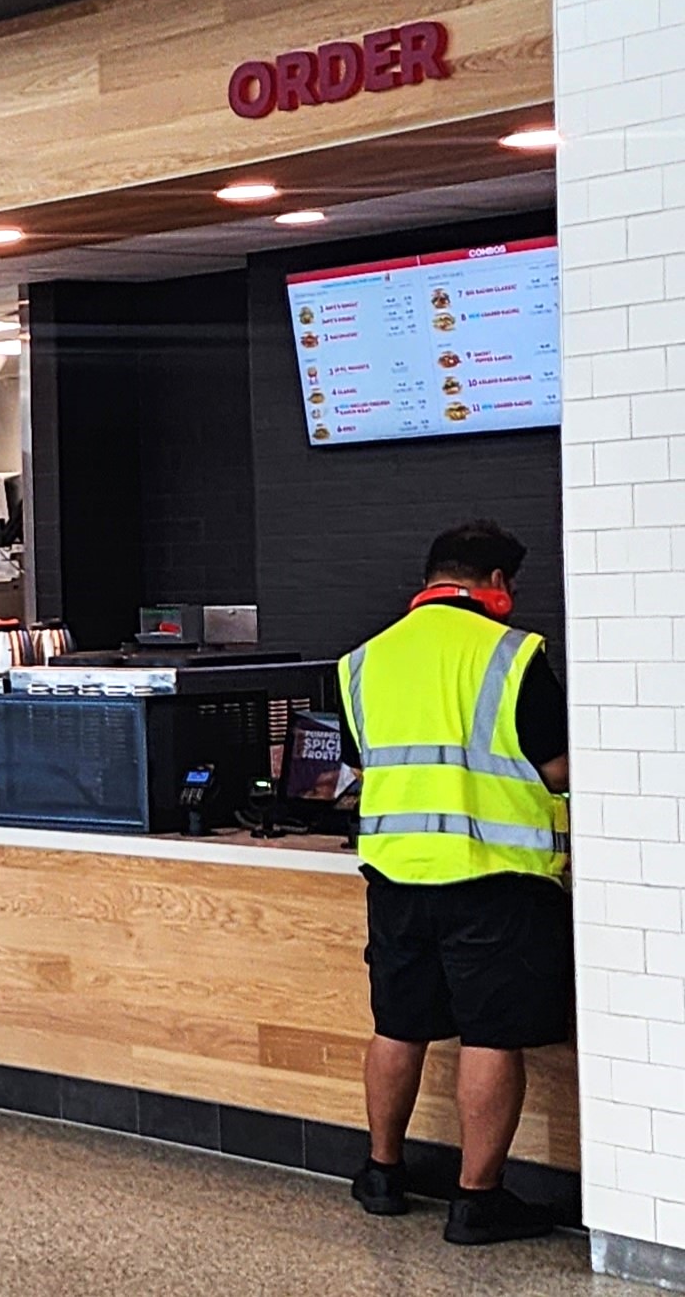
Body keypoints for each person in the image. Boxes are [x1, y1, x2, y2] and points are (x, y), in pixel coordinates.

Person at [340, 519, 571, 1247]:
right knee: (491, 1036)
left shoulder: (363, 660)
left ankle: (382, 1173)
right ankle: (478, 1200)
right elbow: (558, 768)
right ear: (497, 584)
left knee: (398, 1024)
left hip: (396, 876)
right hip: (494, 878)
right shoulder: (514, 654)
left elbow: (358, 766)